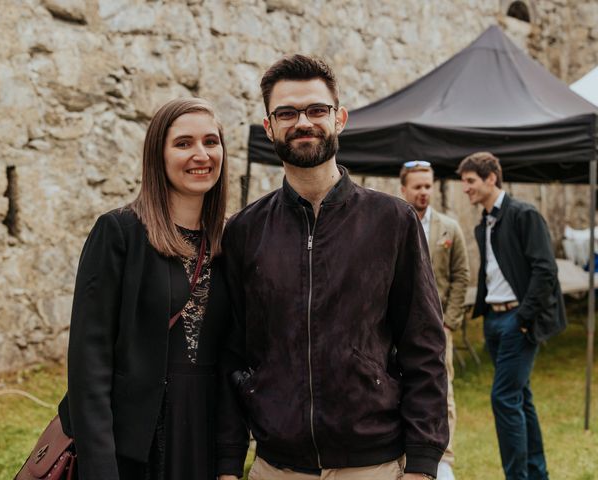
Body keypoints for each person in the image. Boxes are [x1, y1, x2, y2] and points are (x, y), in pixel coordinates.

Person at [217, 54, 448, 480]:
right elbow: (231, 353)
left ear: (339, 118)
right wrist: (228, 463)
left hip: (374, 463)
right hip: (276, 466)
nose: (303, 122)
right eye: (286, 112)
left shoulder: (392, 221)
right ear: (269, 127)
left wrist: (423, 461)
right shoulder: (244, 231)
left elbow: (424, 346)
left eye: (316, 110)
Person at [57, 97, 230, 479]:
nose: (200, 154)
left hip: (202, 436)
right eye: (183, 143)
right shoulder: (120, 232)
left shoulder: (230, 240)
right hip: (130, 445)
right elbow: (90, 361)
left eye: (210, 141)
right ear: (158, 155)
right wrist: (100, 467)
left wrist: (230, 460)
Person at [457, 152, 566, 480]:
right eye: (463, 183)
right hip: (494, 320)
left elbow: (545, 270)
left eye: (470, 181)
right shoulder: (483, 224)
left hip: (517, 320)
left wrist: (523, 318)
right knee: (520, 397)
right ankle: (537, 474)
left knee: (503, 398)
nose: (465, 189)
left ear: (491, 178)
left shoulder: (524, 214)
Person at [400, 161, 469, 480]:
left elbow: (461, 276)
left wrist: (449, 322)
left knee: (443, 390)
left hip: (438, 328)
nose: (424, 192)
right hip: (399, 327)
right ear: (404, 189)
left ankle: (444, 457)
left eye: (428, 186)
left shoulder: (449, 227)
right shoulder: (392, 222)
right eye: (417, 186)